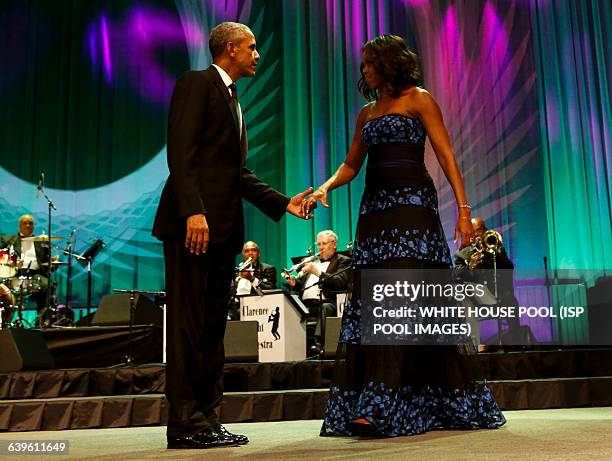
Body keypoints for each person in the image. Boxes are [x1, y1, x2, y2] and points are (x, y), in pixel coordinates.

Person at [303, 35, 505, 437]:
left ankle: (381, 406)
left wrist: (464, 212)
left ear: (389, 63)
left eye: (369, 63)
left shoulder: (420, 99)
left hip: (414, 212)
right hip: (374, 216)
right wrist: (325, 187)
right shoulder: (366, 113)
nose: (363, 70)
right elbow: (350, 164)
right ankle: (385, 400)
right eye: (362, 64)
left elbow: (445, 155)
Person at [152, 22, 312, 449]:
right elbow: (180, 153)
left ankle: (207, 419)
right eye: (252, 47)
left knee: (210, 329)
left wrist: (283, 203)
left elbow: (235, 173)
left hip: (222, 232)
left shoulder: (233, 99)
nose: (257, 54)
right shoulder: (196, 84)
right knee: (187, 326)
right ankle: (184, 423)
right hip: (193, 228)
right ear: (229, 50)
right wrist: (193, 213)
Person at [455, 217, 522, 344]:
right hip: (475, 299)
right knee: (464, 303)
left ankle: (516, 343)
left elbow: (509, 268)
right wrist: (470, 266)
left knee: (510, 300)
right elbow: (457, 276)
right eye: (472, 231)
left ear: (485, 230)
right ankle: (474, 345)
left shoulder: (495, 248)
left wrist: (495, 253)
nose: (475, 235)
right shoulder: (462, 254)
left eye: (478, 230)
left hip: (497, 295)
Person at [286, 230, 351, 352]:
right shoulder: (313, 262)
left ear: (334, 244)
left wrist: (317, 272)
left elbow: (340, 282)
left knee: (326, 307)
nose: (321, 248)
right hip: (305, 304)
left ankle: (318, 343)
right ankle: (290, 347)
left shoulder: (343, 260)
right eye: (319, 244)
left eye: (324, 243)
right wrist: (295, 283)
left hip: (328, 302)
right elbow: (305, 286)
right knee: (288, 306)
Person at [1, 214, 50, 315]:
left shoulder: (41, 242)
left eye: (30, 223)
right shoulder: (9, 240)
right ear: (20, 225)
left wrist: (53, 260)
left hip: (35, 274)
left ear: (34, 226)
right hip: (15, 274)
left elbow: (47, 261)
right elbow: (2, 255)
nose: (28, 225)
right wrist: (13, 263)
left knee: (47, 284)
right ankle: (5, 320)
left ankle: (43, 319)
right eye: (25, 223)